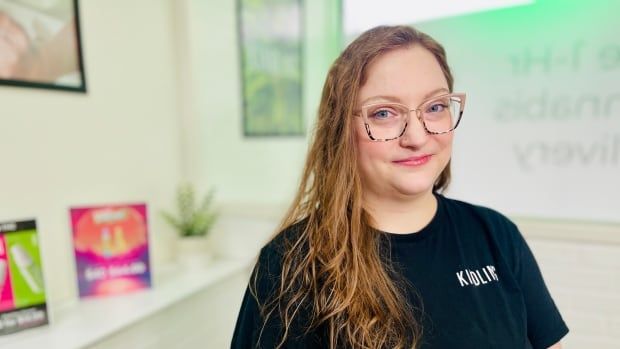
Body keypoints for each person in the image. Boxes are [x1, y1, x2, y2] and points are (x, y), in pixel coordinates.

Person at [231, 25, 569, 349]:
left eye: (435, 107)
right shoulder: (291, 265)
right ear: (340, 129)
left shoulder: (496, 235)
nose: (417, 137)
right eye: (383, 113)